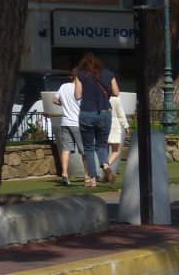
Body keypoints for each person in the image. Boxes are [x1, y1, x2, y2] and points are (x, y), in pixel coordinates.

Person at [73, 52, 120, 187]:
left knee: (88, 148)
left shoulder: (80, 75)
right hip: (104, 113)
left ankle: (92, 180)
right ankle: (105, 166)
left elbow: (77, 96)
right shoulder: (109, 74)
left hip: (87, 113)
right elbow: (116, 92)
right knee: (101, 145)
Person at [51, 76, 82, 186]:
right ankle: (88, 175)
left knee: (66, 149)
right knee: (84, 150)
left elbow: (55, 100)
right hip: (77, 122)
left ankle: (64, 174)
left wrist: (64, 104)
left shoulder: (63, 86)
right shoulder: (81, 88)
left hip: (65, 122)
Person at [106, 94, 129, 177]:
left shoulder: (101, 95)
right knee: (116, 150)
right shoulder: (115, 97)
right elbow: (120, 112)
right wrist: (126, 126)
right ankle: (106, 167)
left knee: (105, 150)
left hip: (103, 122)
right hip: (114, 124)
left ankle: (104, 175)